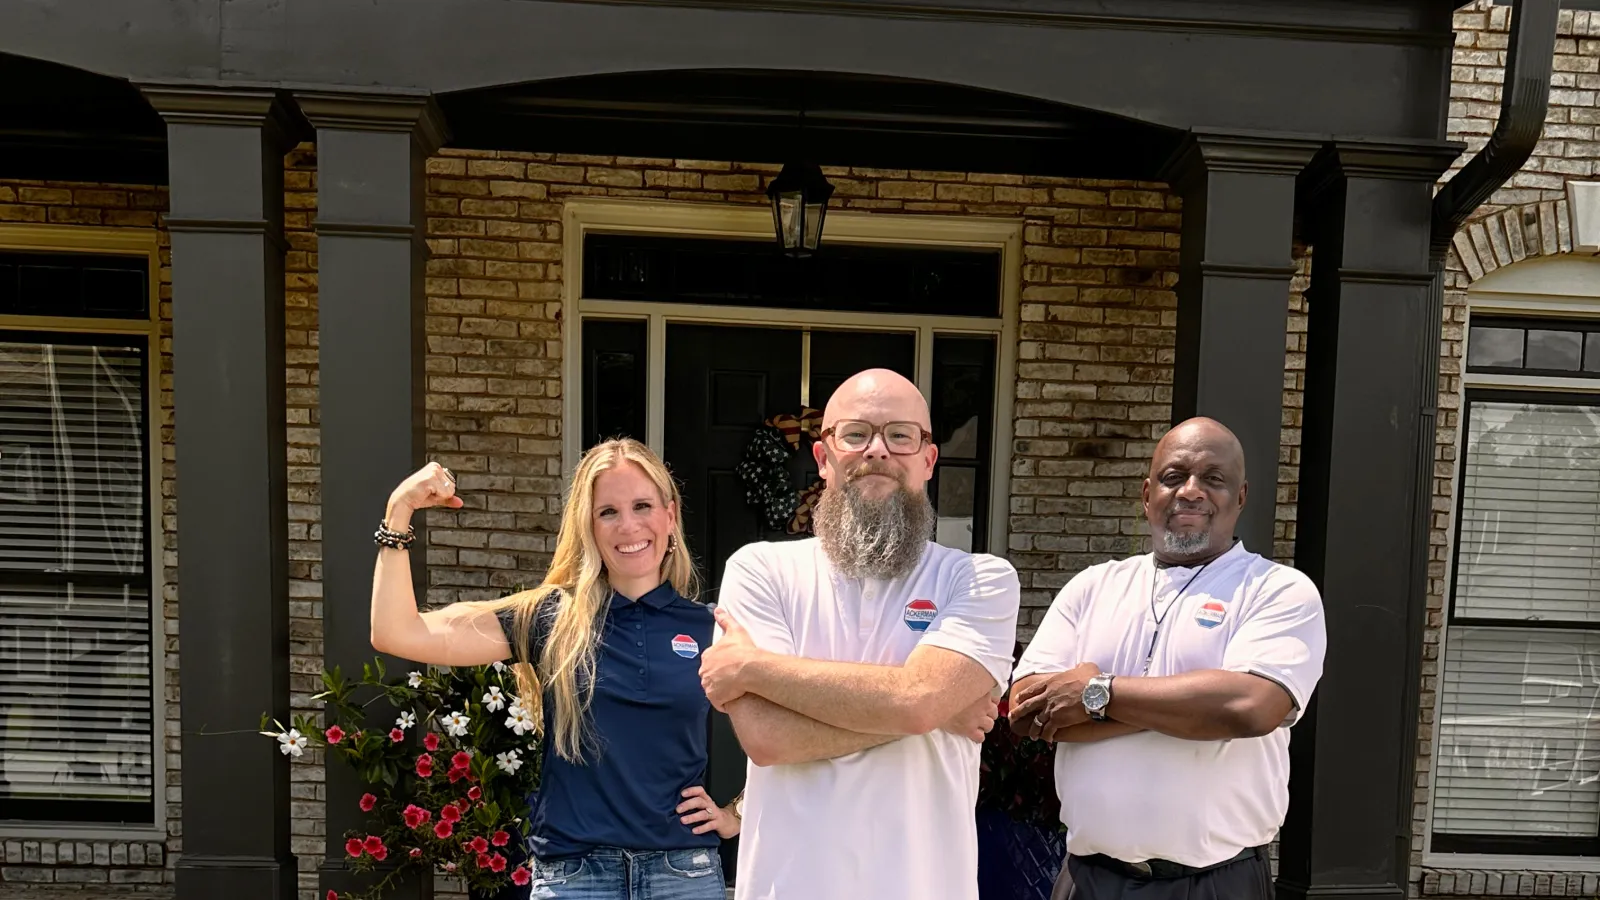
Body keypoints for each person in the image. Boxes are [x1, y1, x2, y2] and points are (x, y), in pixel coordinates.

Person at [369, 438, 741, 899]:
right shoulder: (549, 617)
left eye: (642, 505)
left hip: (682, 874)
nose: (628, 526)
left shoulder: (711, 626)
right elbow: (397, 633)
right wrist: (399, 510)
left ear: (671, 514)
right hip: (576, 878)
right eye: (608, 512)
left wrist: (736, 814)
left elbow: (783, 732)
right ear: (588, 525)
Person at [697, 368, 1020, 900]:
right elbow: (768, 739)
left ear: (928, 460)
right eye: (855, 434)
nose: (878, 450)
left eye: (900, 434)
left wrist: (754, 669)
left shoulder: (980, 578)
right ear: (823, 459)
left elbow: (917, 701)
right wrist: (935, 711)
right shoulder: (761, 570)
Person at [1008, 417, 1327, 900]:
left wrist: (1098, 693)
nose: (1191, 492)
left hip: (1216, 884)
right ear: (1147, 493)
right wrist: (1192, 703)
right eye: (1173, 477)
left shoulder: (1278, 591)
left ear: (1240, 496)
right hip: (1089, 881)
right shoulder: (1094, 587)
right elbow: (1026, 711)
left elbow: (1249, 708)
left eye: (1213, 479)